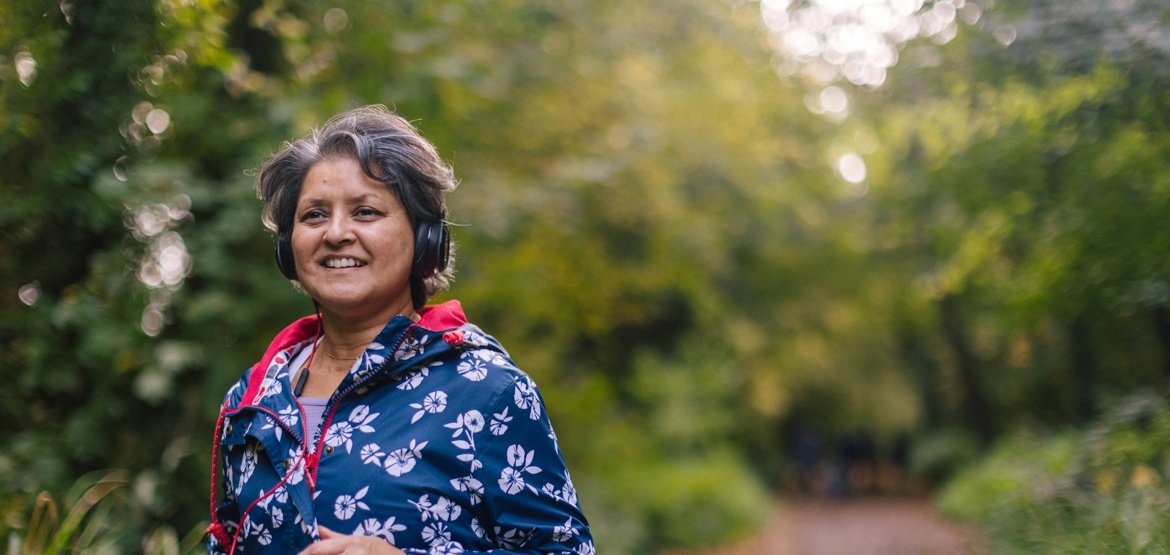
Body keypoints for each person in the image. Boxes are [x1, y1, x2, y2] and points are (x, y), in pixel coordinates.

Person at [205, 106, 593, 555]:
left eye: (365, 212)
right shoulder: (251, 400)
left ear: (425, 237)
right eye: (313, 215)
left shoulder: (487, 390)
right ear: (287, 248)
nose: (335, 233)